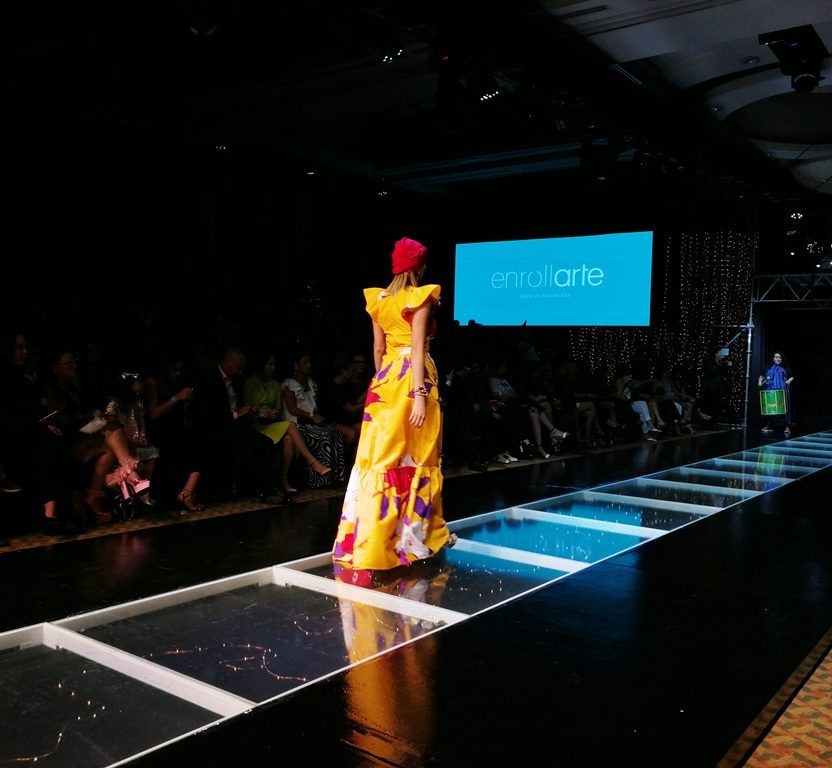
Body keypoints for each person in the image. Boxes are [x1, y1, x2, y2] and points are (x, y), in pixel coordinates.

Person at [332, 236, 454, 571]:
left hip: (385, 381)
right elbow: (416, 347)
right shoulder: (420, 297)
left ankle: (373, 540)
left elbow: (378, 349)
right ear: (420, 267)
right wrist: (418, 394)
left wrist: (383, 383)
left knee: (381, 458)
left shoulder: (379, 300)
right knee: (419, 455)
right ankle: (416, 538)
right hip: (415, 379)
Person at [759, 350, 794, 436]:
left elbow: (791, 376)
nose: (778, 359)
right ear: (773, 359)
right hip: (770, 390)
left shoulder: (785, 368)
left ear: (782, 359)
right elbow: (762, 376)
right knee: (771, 408)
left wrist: (789, 381)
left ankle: (787, 426)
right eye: (776, 357)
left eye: (779, 357)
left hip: (782, 391)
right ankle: (770, 425)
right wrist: (760, 382)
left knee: (784, 409)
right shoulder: (768, 368)